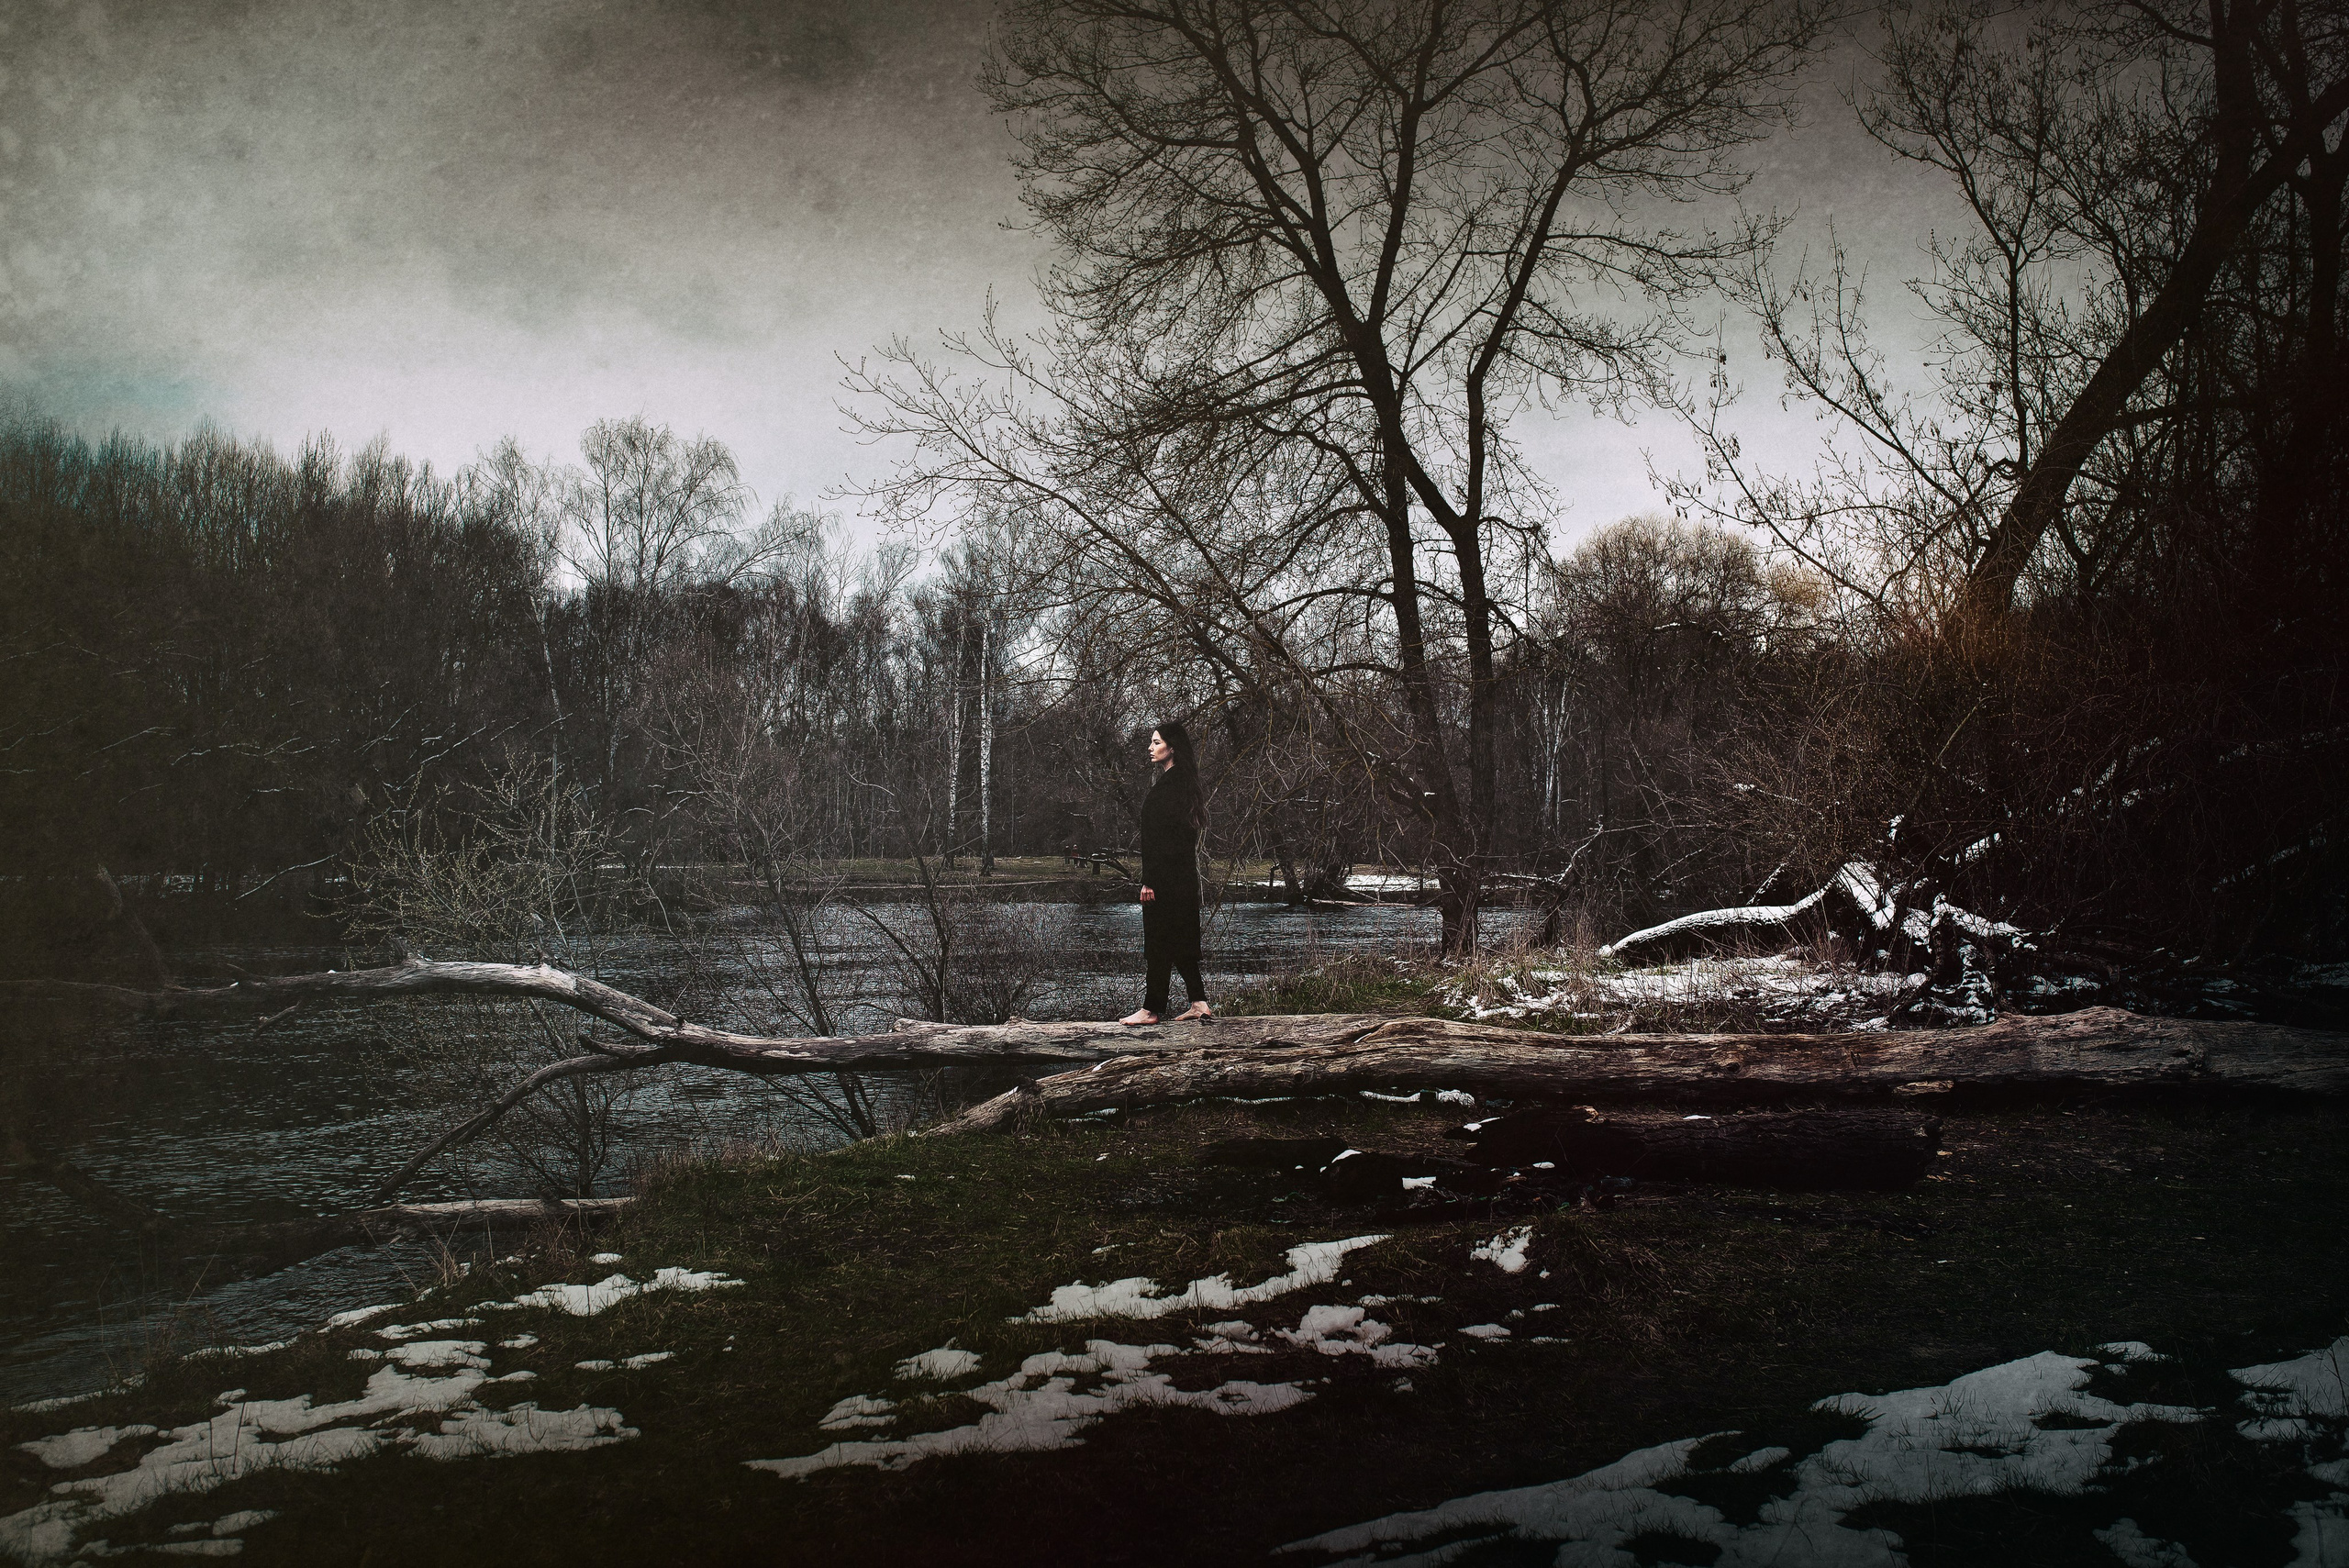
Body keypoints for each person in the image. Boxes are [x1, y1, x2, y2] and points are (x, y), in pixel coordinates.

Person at [1119, 720, 1210, 1025]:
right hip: (1182, 879)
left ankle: (1151, 1010)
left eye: (1156, 742)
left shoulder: (1171, 787)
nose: (1150, 747)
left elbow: (1162, 841)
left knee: (1158, 942)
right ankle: (1199, 1003)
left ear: (1172, 748)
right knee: (1180, 940)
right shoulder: (1184, 783)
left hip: (1166, 879)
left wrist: (1150, 881)